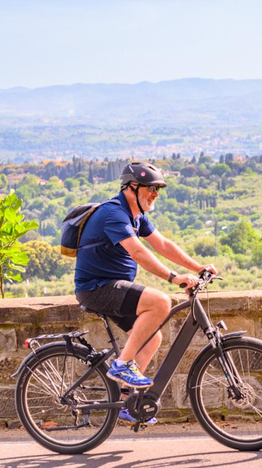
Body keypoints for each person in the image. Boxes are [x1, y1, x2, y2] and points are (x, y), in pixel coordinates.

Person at [74, 161, 217, 424]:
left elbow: (162, 244)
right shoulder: (114, 213)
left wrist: (198, 268)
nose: (156, 194)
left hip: (112, 286)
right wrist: (174, 278)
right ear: (132, 188)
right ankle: (122, 365)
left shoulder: (136, 216)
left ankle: (128, 402)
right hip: (97, 288)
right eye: (151, 188)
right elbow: (138, 253)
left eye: (158, 189)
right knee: (160, 301)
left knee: (151, 339)